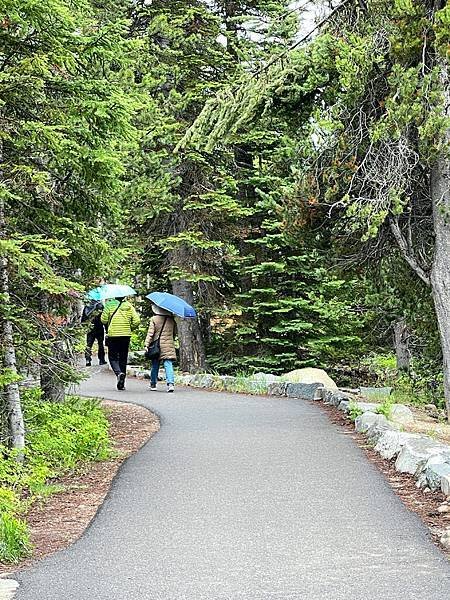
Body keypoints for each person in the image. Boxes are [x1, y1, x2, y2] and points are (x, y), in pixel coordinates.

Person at [101, 296, 140, 390]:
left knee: (112, 357)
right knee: (123, 358)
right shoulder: (129, 306)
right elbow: (137, 321)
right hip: (126, 335)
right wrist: (129, 328)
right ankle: (121, 384)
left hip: (113, 335)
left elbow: (103, 320)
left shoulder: (109, 305)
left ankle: (119, 373)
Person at [144, 305, 176, 393]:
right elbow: (174, 333)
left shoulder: (154, 319)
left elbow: (150, 333)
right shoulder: (171, 320)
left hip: (156, 346)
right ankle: (170, 384)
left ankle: (153, 384)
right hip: (168, 345)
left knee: (155, 364)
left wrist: (146, 345)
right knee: (168, 364)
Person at [81, 300, 106, 367]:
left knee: (89, 344)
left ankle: (87, 359)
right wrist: (106, 327)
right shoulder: (100, 306)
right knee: (100, 344)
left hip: (90, 328)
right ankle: (101, 359)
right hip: (99, 327)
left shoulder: (87, 306)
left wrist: (84, 327)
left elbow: (83, 318)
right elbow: (104, 318)